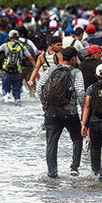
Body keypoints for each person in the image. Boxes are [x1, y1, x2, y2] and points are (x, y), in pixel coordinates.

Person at [36, 47, 85, 178]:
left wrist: (43, 103)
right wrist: (83, 109)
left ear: (62, 57)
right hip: (70, 112)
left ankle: (52, 172)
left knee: (51, 142)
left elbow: (39, 87)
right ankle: (74, 168)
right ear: (74, 58)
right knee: (77, 139)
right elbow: (80, 92)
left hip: (51, 112)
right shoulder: (76, 72)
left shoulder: (52, 69)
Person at [0, 30, 36, 99]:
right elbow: (31, 58)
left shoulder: (5, 45)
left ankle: (7, 103)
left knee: (6, 91)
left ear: (9, 38)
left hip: (7, 71)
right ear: (18, 38)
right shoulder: (22, 46)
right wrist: (35, 69)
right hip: (18, 71)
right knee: (17, 91)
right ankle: (16, 104)